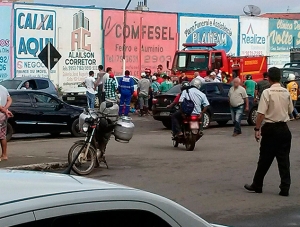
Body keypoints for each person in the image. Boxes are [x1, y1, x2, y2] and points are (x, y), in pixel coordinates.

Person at [244, 67, 294, 197]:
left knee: (264, 159)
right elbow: (290, 110)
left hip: (271, 129)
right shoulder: (286, 92)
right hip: (284, 129)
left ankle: (257, 184)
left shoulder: (267, 92)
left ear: (269, 78)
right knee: (284, 160)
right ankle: (285, 187)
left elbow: (261, 113)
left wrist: (257, 128)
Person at [0, 85, 12, 161]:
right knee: (2, 135)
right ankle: (4, 155)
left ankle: (4, 155)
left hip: (1, 113)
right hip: (3, 115)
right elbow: (10, 99)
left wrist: (4, 110)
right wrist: (6, 109)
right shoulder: (4, 88)